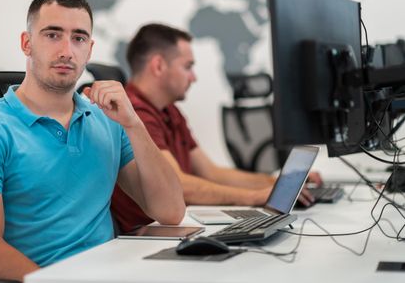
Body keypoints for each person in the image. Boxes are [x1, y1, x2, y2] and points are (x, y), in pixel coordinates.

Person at [0, 0, 185, 281]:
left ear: (90, 49)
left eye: (79, 38)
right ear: (26, 43)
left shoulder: (108, 121)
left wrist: (134, 123)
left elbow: (170, 212)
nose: (67, 51)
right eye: (52, 35)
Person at [110, 23, 322, 233]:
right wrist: (251, 198)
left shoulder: (169, 111)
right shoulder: (134, 114)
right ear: (158, 66)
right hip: (149, 234)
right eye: (187, 66)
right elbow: (181, 185)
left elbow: (211, 172)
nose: (194, 77)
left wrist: (275, 183)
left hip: (178, 226)